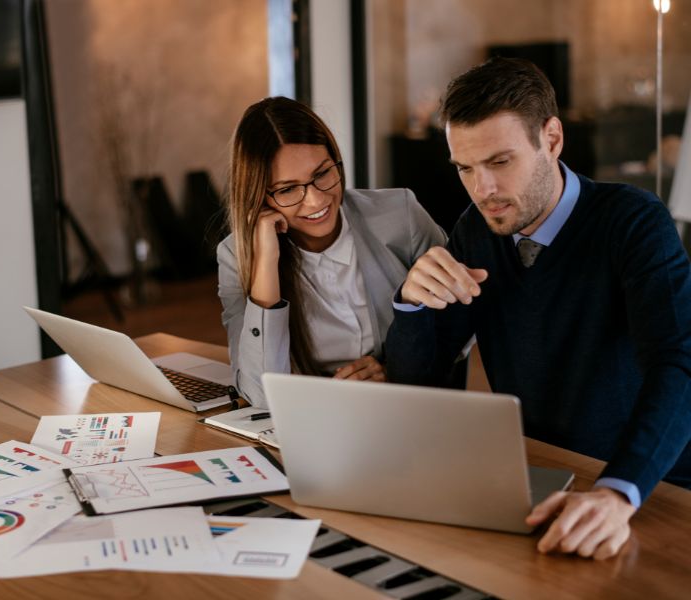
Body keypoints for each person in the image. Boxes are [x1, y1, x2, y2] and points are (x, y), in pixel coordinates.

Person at [386, 57, 691, 560]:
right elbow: (421, 384)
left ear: (551, 138)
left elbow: (680, 364)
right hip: (541, 480)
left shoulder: (633, 222)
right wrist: (413, 305)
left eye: (500, 162)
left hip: (647, 484)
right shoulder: (476, 231)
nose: (482, 190)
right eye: (465, 168)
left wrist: (618, 493)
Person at [218, 96, 445, 408]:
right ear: (259, 197)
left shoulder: (399, 215)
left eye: (323, 173)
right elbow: (259, 393)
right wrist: (266, 264)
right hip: (313, 418)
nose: (315, 201)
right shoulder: (235, 255)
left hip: (407, 410)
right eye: (287, 189)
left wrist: (397, 374)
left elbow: (459, 327)